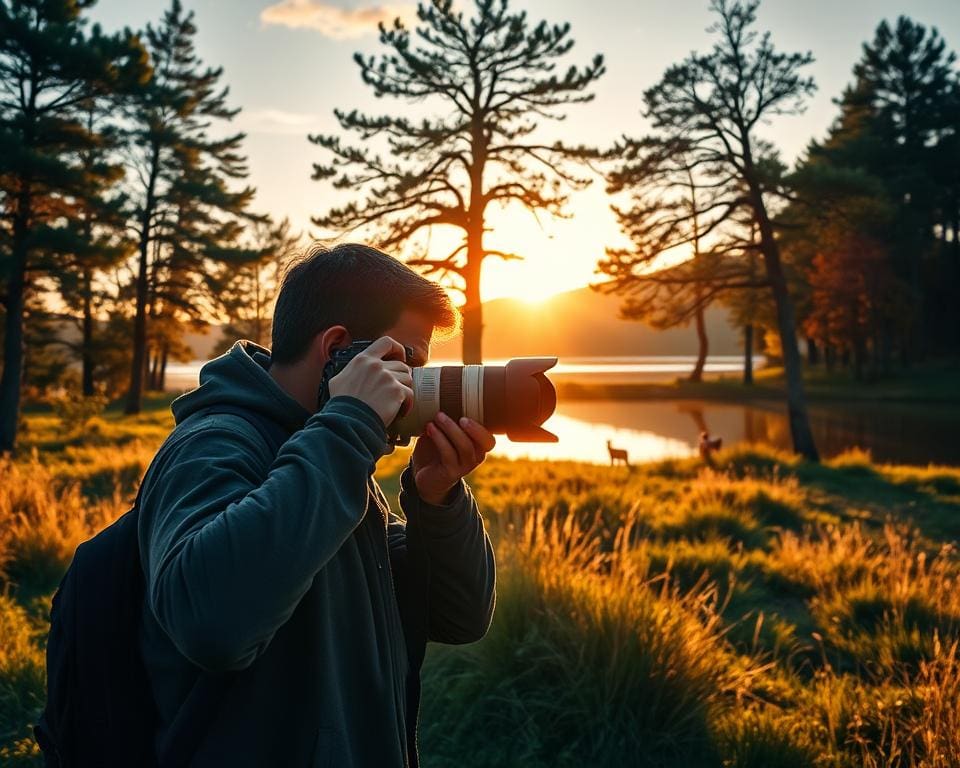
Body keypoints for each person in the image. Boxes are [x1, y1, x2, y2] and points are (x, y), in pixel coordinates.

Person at [136, 243, 497, 767]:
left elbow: (458, 617)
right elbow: (209, 623)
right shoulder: (214, 443)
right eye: (409, 363)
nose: (418, 388)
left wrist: (437, 499)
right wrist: (350, 422)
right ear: (338, 351)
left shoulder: (331, 454)